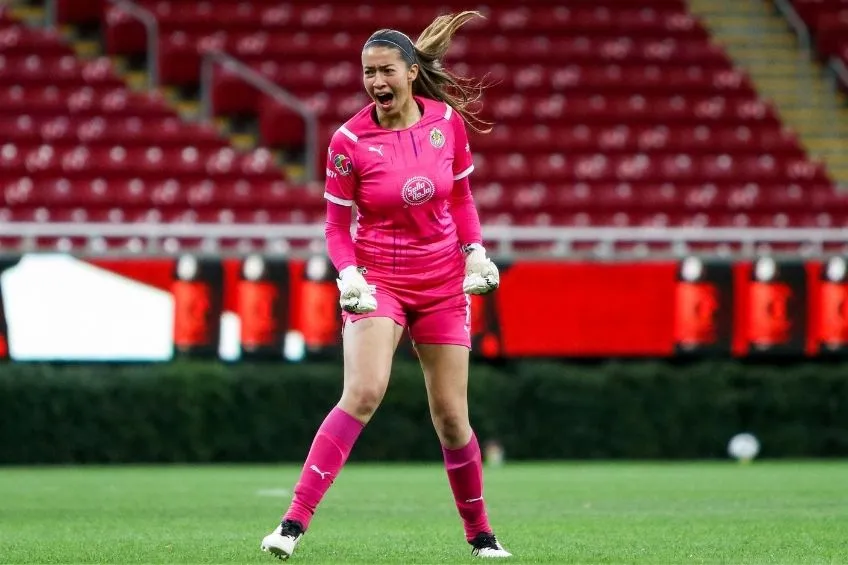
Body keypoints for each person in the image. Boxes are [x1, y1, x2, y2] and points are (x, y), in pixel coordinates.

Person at [261, 10, 510, 560]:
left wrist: (476, 254)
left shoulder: (447, 123)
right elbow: (334, 225)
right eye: (367, 72)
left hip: (443, 280)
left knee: (451, 419)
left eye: (385, 71)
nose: (375, 82)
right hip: (379, 281)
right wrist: (348, 274)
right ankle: (292, 525)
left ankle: (481, 537)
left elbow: (461, 199)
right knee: (364, 392)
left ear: (411, 71)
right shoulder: (349, 140)